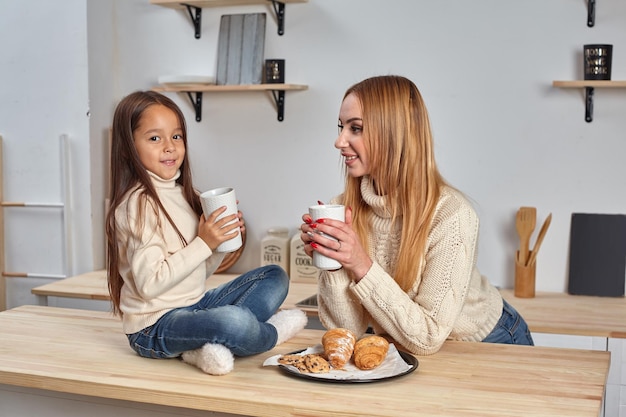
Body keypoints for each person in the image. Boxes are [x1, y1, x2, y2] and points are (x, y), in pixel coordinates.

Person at [300, 75, 533, 356]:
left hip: (485, 343)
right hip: (405, 346)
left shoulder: (452, 214)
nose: (339, 141)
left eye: (356, 128)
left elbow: (428, 336)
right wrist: (334, 264)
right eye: (341, 127)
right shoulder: (344, 208)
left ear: (393, 135)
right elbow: (349, 333)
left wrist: (361, 264)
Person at [106, 91, 307, 375]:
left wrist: (219, 242)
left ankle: (201, 345)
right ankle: (271, 333)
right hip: (154, 326)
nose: (169, 147)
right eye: (155, 138)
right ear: (128, 147)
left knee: (274, 276)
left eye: (176, 136)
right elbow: (149, 284)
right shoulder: (136, 205)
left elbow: (196, 273)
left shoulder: (184, 195)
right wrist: (204, 242)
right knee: (233, 323)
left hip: (194, 306)